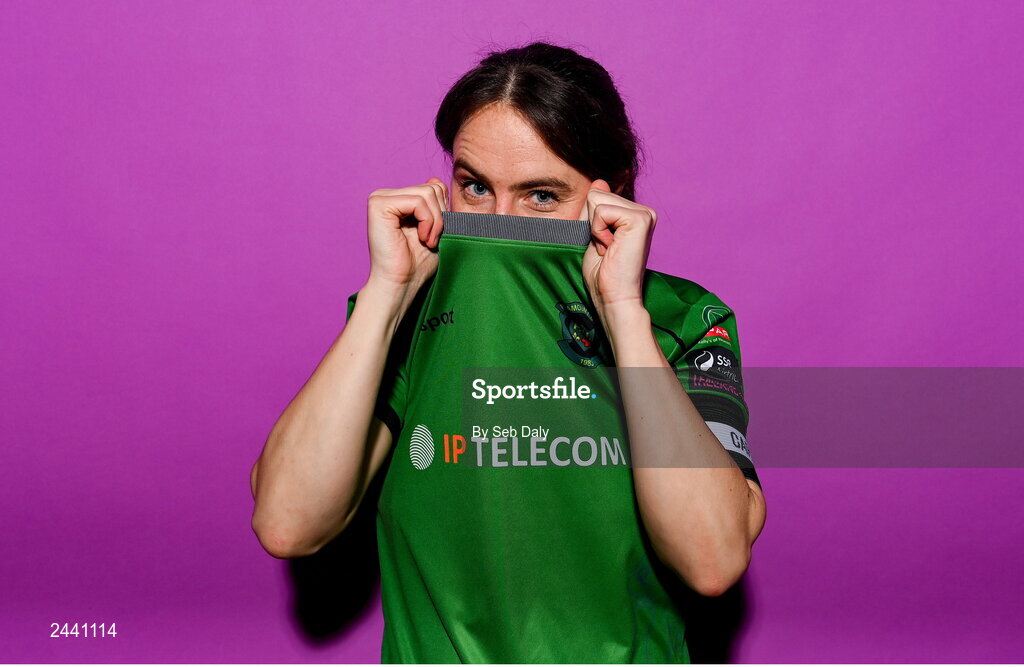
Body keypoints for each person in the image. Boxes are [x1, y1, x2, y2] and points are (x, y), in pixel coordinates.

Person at [250, 41, 767, 663]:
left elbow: (712, 559)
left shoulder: (684, 318)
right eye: (474, 187)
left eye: (541, 196)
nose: (500, 221)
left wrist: (624, 313)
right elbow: (287, 522)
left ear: (616, 193)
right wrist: (387, 295)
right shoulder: (412, 309)